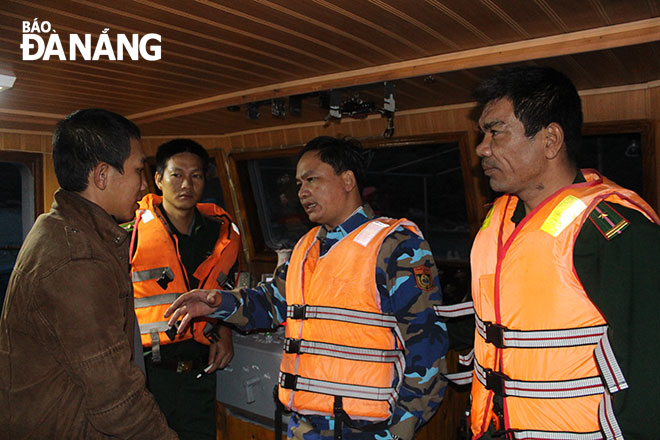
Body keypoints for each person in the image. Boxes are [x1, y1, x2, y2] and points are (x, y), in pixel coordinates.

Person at [165, 136, 449, 440]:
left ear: (348, 180)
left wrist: (400, 428)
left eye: (312, 179)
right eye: (299, 183)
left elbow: (428, 347)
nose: (302, 192)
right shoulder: (305, 247)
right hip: (305, 426)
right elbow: (271, 304)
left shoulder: (397, 246)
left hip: (369, 430)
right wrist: (218, 303)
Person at [463, 66, 660, 439]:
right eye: (481, 134)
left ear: (551, 139)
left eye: (496, 132)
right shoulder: (498, 221)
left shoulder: (613, 232)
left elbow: (652, 372)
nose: (481, 148)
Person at [0, 109, 177, 439]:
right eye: (138, 170)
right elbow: (115, 399)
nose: (143, 184)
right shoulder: (76, 260)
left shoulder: (62, 229)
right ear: (101, 176)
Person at [125, 139, 239, 439]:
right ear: (159, 180)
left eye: (196, 175)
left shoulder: (222, 233)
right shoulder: (130, 233)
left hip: (199, 380)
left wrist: (224, 330)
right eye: (176, 175)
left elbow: (227, 293)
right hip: (148, 377)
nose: (186, 184)